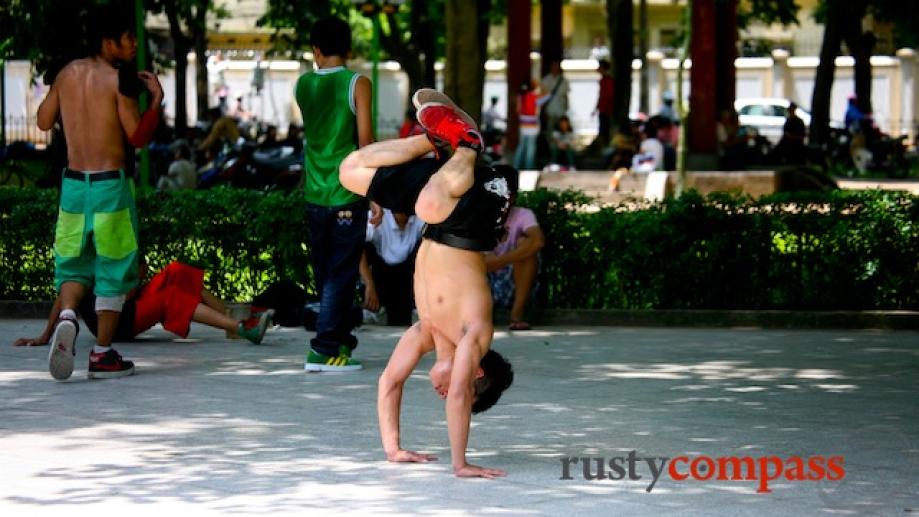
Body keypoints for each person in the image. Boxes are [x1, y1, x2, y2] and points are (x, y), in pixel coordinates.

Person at [338, 89, 516, 478]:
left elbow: (389, 382)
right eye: (461, 390)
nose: (443, 395)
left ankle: (433, 141)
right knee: (428, 206)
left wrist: (393, 448)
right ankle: (469, 145)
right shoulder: (475, 334)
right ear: (476, 374)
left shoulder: (426, 330)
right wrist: (460, 463)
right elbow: (457, 397)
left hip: (445, 203)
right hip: (482, 205)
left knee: (350, 171)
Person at [36, 3, 164, 380]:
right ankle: (102, 354)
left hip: (74, 185)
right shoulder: (118, 81)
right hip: (110, 186)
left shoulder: (66, 74)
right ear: (109, 41)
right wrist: (155, 100)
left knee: (73, 263)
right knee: (112, 267)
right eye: (127, 39)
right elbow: (137, 137)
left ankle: (69, 315)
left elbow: (43, 121)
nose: (132, 46)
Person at [295, 16, 375, 372]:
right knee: (340, 275)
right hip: (347, 192)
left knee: (327, 273)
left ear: (315, 50)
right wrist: (376, 192)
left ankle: (340, 340)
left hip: (314, 192)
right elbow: (366, 142)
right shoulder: (358, 83)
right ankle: (324, 349)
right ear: (349, 48)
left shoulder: (303, 85)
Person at [14, 261, 273, 348]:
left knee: (176, 271)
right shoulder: (81, 267)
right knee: (169, 297)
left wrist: (136, 275)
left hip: (128, 302)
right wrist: (44, 337)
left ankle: (230, 322)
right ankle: (241, 328)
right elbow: (64, 300)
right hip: (116, 321)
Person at [485, 172, 545, 331]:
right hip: (484, 282)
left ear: (513, 197)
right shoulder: (479, 216)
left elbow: (538, 241)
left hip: (513, 282)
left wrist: (500, 261)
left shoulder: (523, 214)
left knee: (525, 243)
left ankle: (517, 313)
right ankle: (479, 314)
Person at [360, 209, 425, 326]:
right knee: (361, 245)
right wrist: (369, 284)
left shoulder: (421, 218)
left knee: (427, 246)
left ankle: (418, 308)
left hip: (408, 275)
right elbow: (358, 249)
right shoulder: (377, 216)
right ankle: (373, 309)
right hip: (381, 272)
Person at [539, 60, 570, 146]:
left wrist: (567, 107)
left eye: (557, 67)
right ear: (551, 68)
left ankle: (561, 147)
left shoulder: (564, 80)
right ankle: (551, 147)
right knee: (550, 130)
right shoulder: (546, 80)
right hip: (550, 109)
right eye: (554, 66)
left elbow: (566, 95)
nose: (555, 69)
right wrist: (543, 109)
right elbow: (542, 96)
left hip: (561, 108)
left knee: (562, 130)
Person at [514, 81, 541, 170]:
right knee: (531, 148)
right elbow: (537, 112)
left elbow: (518, 110)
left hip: (523, 124)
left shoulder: (520, 96)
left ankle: (516, 166)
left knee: (521, 146)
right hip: (533, 125)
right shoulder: (536, 97)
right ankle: (528, 168)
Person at [592, 59, 614, 149]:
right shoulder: (603, 80)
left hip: (607, 110)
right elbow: (601, 95)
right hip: (603, 109)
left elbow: (608, 95)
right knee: (602, 129)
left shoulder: (608, 80)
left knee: (605, 130)